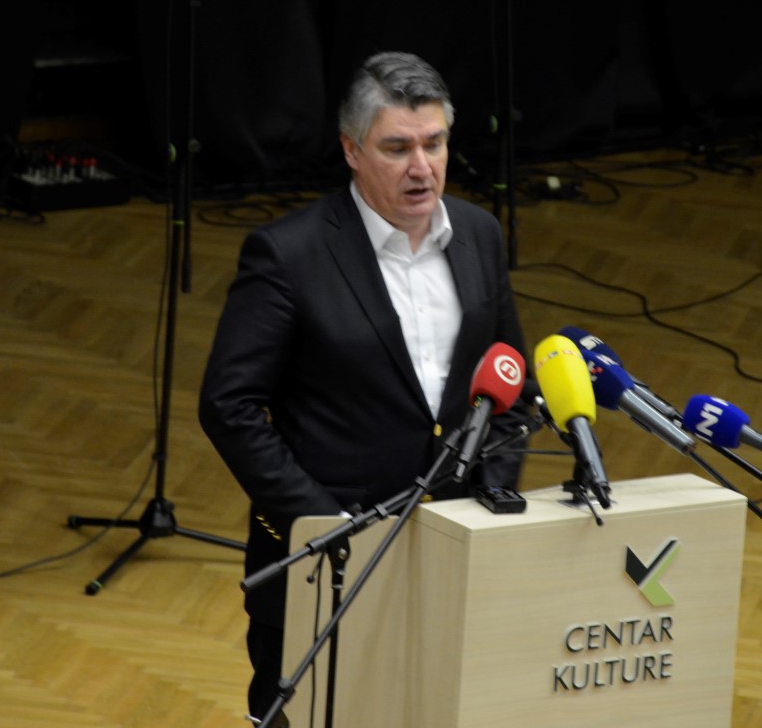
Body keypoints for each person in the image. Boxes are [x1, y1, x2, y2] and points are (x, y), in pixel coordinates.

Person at [198, 51, 529, 722]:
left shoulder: (479, 234)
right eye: (397, 148)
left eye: (435, 143)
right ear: (351, 150)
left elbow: (509, 377)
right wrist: (324, 524)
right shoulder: (288, 254)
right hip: (325, 562)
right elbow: (228, 405)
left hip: (452, 553)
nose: (422, 167)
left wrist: (488, 499)